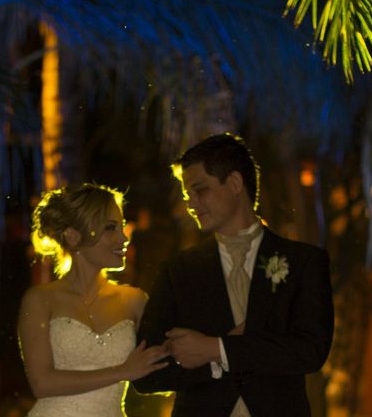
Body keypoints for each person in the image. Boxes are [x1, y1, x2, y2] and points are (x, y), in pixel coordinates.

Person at [133, 133, 334, 417]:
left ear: (235, 183)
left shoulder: (304, 262)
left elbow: (310, 351)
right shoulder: (178, 271)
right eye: (188, 194)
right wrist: (211, 360)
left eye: (200, 190)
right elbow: (145, 375)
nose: (191, 204)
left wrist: (216, 347)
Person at [18, 183, 169, 417]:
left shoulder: (135, 301)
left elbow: (162, 368)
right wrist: (122, 371)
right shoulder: (40, 299)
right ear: (73, 236)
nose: (123, 238)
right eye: (110, 228)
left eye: (121, 227)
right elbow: (42, 383)